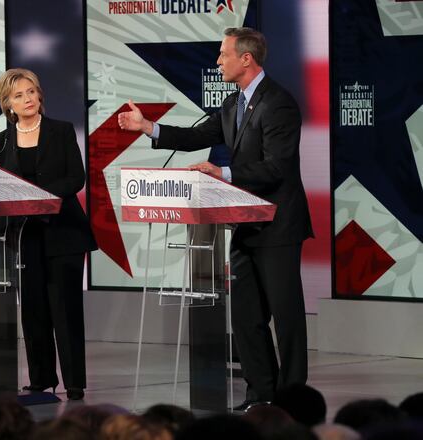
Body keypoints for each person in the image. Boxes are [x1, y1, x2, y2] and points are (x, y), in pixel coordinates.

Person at [118, 27, 313, 408]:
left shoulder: (279, 104)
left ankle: (293, 400)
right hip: (245, 225)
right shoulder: (233, 103)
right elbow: (196, 137)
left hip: (278, 226)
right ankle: (261, 395)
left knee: (286, 318)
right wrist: (148, 128)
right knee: (245, 317)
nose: (218, 61)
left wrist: (222, 173)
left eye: (224, 54)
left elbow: (277, 167)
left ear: (246, 58)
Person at [0, 68, 98, 400]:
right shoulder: (1, 141)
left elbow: (75, 178)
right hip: (25, 236)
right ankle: (41, 379)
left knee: (65, 310)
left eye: (32, 91)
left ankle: (74, 382)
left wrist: (39, 197)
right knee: (33, 309)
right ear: (7, 104)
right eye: (19, 95)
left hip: (63, 233)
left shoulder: (61, 131)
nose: (28, 99)